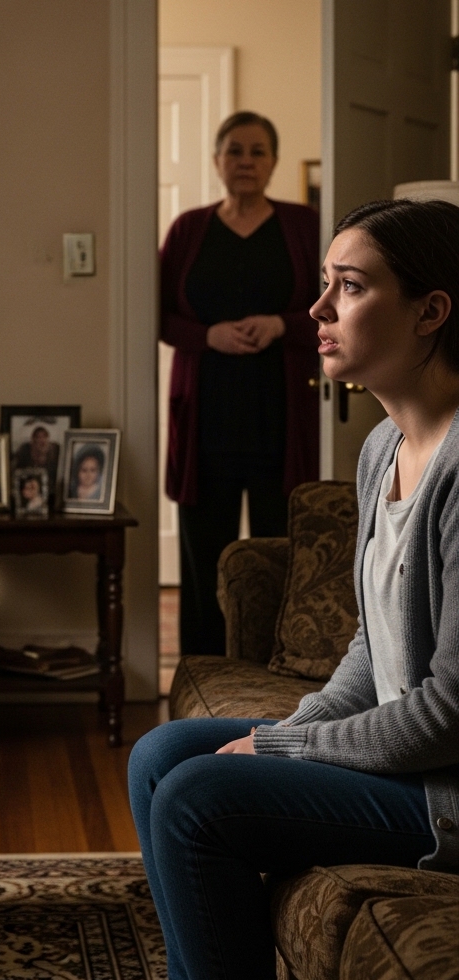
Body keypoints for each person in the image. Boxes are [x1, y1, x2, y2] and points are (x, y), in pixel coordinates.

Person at [131, 198, 459, 980]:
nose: (315, 310)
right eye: (322, 284)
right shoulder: (381, 449)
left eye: (348, 287)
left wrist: (284, 747)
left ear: (431, 311)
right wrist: (299, 727)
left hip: (446, 787)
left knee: (197, 799)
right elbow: (371, 647)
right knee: (160, 755)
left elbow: (448, 715)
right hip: (409, 756)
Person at [160, 111, 319, 656]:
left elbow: (334, 309)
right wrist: (208, 336)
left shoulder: (305, 225)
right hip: (205, 423)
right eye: (234, 151)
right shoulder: (187, 229)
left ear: (274, 161)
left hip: (282, 422)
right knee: (204, 560)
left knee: (283, 557)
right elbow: (159, 317)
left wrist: (282, 325)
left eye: (257, 151)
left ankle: (279, 669)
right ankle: (201, 671)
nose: (245, 162)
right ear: (216, 160)